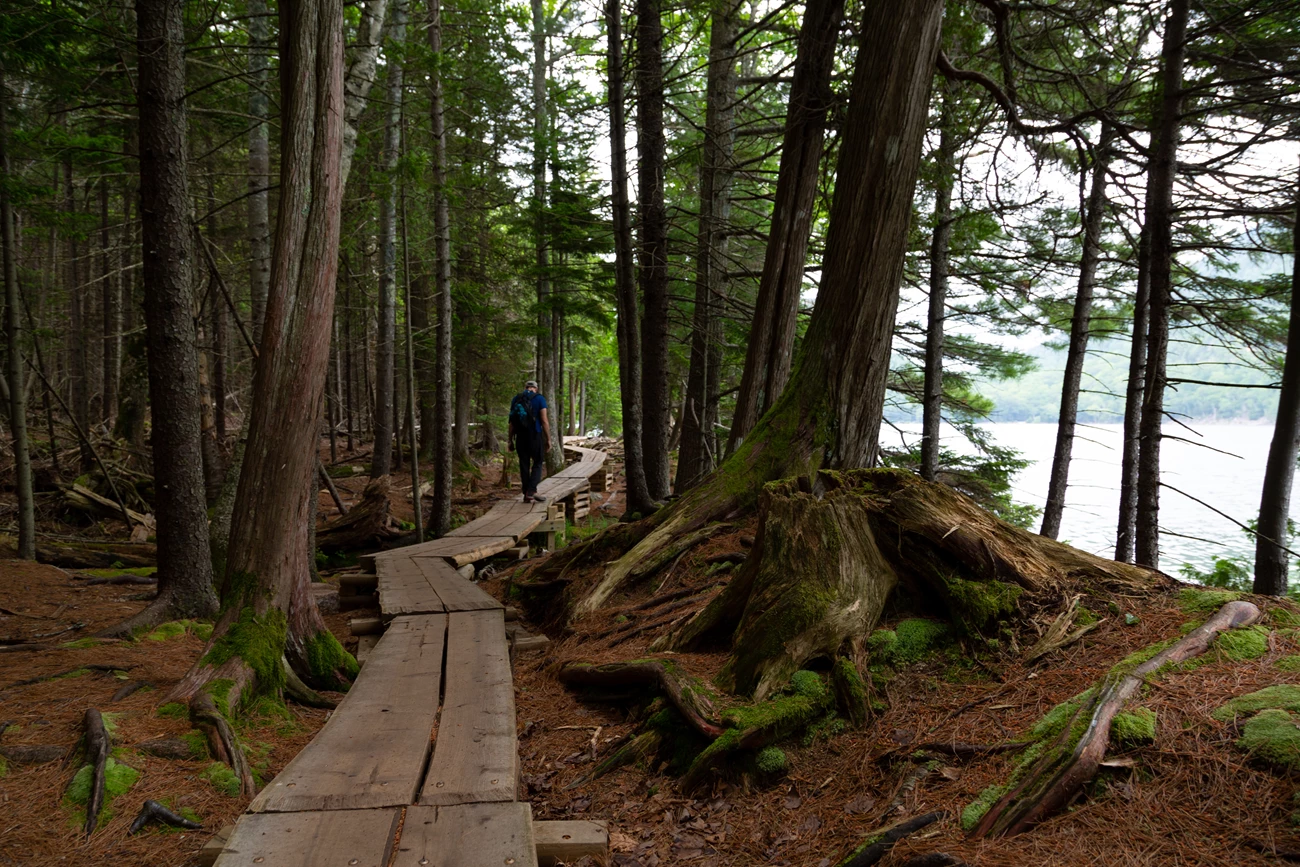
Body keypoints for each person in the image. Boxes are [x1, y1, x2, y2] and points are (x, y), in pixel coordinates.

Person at [508, 379, 551, 503]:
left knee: (524, 464)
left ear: (525, 387)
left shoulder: (516, 399)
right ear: (536, 388)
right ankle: (531, 491)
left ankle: (526, 492)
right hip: (535, 435)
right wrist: (548, 439)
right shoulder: (539, 399)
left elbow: (511, 423)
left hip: (520, 436)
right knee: (538, 462)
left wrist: (510, 440)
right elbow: (544, 420)